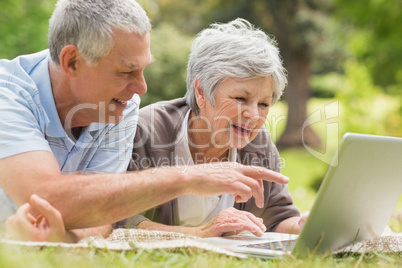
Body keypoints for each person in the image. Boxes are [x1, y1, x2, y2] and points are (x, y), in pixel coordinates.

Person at [1, 1, 289, 242]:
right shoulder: (8, 94)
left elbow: (104, 213)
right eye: (127, 71)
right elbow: (44, 198)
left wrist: (60, 239)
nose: (142, 88)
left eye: (142, 70)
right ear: (73, 61)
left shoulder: (120, 108)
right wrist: (188, 177)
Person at [118, 19, 305, 237]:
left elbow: (279, 218)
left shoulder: (259, 145)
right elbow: (117, 217)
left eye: (264, 104)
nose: (254, 115)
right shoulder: (146, 131)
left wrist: (304, 225)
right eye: (241, 98)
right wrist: (200, 233)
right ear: (201, 92)